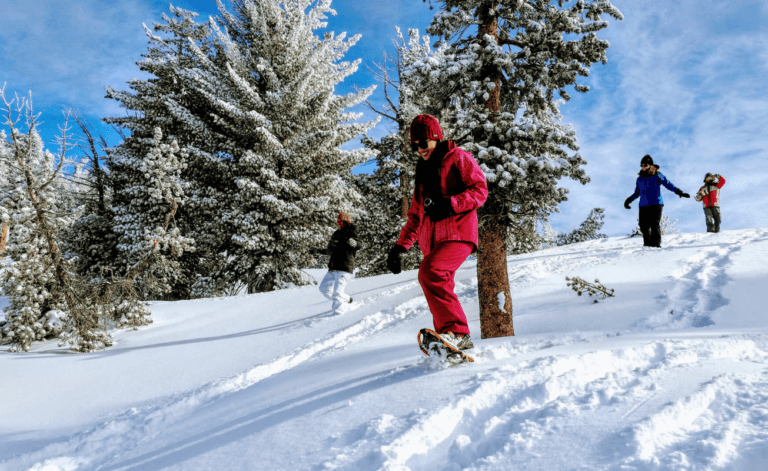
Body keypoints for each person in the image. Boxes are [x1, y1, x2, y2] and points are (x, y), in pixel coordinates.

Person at [386, 114, 488, 351]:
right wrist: (400, 247)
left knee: (431, 272)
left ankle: (458, 333)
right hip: (433, 243)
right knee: (438, 283)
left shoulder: (457, 158)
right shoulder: (422, 175)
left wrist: (451, 203)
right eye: (414, 145)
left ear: (435, 138)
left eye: (423, 143)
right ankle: (447, 342)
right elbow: (415, 216)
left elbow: (480, 189)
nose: (419, 149)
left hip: (458, 233)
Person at [624, 154, 690, 247]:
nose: (643, 167)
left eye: (645, 165)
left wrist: (679, 192)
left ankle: (656, 245)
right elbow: (637, 192)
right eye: (642, 165)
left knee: (654, 224)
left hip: (656, 203)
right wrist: (629, 200)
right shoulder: (639, 179)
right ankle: (647, 245)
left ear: (650, 165)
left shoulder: (657, 175)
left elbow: (668, 184)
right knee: (643, 225)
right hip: (643, 205)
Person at [319, 212, 358, 312]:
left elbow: (359, 244)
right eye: (338, 222)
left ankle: (338, 315)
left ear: (345, 222)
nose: (338, 224)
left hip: (344, 267)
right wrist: (316, 251)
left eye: (340, 222)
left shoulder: (351, 232)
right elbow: (329, 250)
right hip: (333, 267)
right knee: (324, 289)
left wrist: (355, 243)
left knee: (337, 293)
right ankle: (347, 299)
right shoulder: (336, 234)